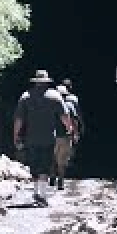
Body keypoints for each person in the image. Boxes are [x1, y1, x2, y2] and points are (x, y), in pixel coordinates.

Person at [13, 69, 74, 206]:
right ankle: (43, 195)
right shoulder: (55, 96)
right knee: (45, 165)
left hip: (31, 138)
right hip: (48, 138)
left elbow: (19, 119)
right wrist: (69, 129)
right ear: (47, 82)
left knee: (34, 164)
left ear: (35, 82)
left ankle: (36, 192)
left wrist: (16, 135)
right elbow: (65, 117)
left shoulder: (25, 97)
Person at [50, 85, 80, 190]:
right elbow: (74, 121)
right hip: (65, 136)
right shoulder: (69, 105)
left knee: (52, 157)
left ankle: (52, 178)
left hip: (51, 136)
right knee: (62, 160)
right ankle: (61, 181)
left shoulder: (50, 105)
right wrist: (75, 133)